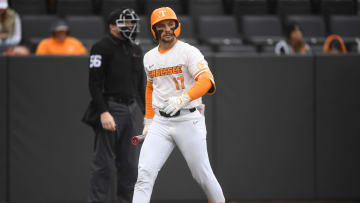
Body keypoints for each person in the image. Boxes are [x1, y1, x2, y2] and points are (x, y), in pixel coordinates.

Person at [132, 7, 225, 203]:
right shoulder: (149, 57)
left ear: (177, 26)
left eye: (170, 24)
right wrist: (148, 120)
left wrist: (184, 98)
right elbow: (150, 88)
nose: (167, 29)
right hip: (160, 123)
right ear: (154, 30)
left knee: (202, 176)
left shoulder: (189, 51)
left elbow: (207, 81)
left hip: (188, 118)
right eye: (161, 26)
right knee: (144, 175)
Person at [84, 8, 145, 203]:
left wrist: (146, 115)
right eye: (125, 23)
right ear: (112, 26)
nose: (130, 26)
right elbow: (94, 84)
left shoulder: (136, 49)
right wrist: (103, 112)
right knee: (104, 164)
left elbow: (140, 86)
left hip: (133, 110)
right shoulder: (101, 47)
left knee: (130, 165)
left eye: (131, 23)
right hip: (112, 108)